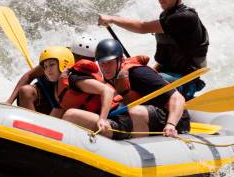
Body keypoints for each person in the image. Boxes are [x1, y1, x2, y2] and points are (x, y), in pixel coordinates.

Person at [98, 0, 209, 99]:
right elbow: (166, 56)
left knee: (135, 80)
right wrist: (149, 71)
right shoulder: (166, 15)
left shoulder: (185, 17)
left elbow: (142, 27)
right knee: (127, 74)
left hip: (185, 81)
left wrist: (112, 19)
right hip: (168, 75)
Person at [62, 39, 190, 140]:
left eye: (110, 62)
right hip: (137, 118)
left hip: (171, 118)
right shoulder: (106, 78)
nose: (105, 68)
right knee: (72, 115)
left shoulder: (139, 73)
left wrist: (171, 124)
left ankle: (138, 149)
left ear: (120, 61)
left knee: (136, 111)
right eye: (102, 63)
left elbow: (177, 97)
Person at [5, 34, 98, 112]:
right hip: (45, 97)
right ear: (71, 53)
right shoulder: (59, 60)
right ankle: (30, 124)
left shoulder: (91, 72)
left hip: (63, 105)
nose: (80, 62)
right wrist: (9, 102)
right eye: (76, 56)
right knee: (26, 91)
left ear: (93, 60)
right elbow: (29, 75)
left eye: (86, 59)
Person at [5, 46, 74, 113]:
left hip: (58, 105)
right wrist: (9, 102)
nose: (48, 69)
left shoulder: (75, 74)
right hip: (43, 99)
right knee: (26, 90)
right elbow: (28, 76)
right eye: (46, 66)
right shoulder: (50, 63)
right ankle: (30, 119)